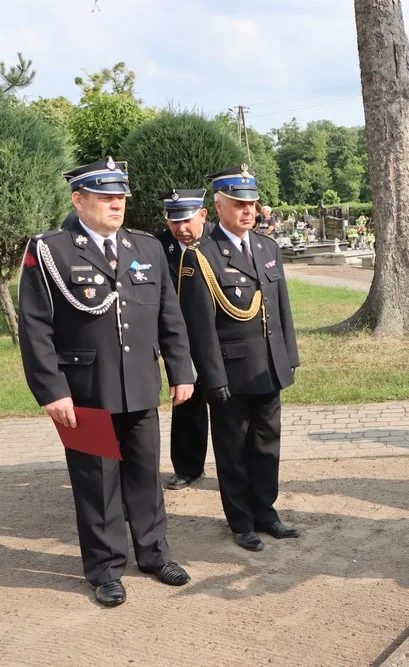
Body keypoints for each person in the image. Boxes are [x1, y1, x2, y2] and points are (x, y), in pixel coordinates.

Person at [17, 157, 194, 606]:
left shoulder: (146, 247)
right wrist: (52, 390)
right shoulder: (52, 250)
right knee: (96, 481)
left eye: (121, 197)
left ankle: (154, 554)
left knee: (145, 476)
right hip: (85, 389)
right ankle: (106, 568)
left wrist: (181, 369)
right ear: (79, 200)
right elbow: (35, 327)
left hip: (138, 382)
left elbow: (167, 314)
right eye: (105, 197)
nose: (117, 204)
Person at [178, 164, 300, 551]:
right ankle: (241, 520)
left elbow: (281, 310)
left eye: (251, 204)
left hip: (269, 366)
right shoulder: (202, 256)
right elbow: (199, 327)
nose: (248, 211)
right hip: (230, 371)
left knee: (267, 444)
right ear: (218, 206)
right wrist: (213, 379)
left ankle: (266, 511)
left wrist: (288, 358)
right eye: (238, 204)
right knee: (233, 449)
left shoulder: (267, 248)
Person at [156, 189, 215, 490]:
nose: (180, 229)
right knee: (186, 403)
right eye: (173, 221)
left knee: (228, 404)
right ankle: (189, 467)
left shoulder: (219, 241)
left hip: (218, 339)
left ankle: (238, 466)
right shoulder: (158, 247)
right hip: (180, 340)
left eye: (187, 220)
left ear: (203, 215)